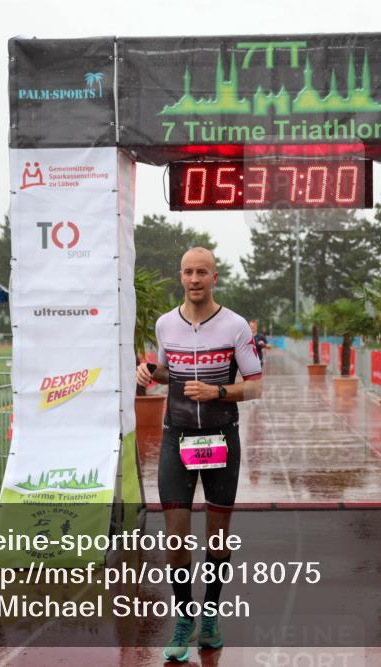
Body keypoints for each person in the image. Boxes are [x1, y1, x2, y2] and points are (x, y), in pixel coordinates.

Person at [136, 247, 263, 662]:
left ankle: (210, 615)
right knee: (175, 535)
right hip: (177, 436)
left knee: (217, 534)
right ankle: (185, 617)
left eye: (202, 272)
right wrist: (149, 372)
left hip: (221, 436)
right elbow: (172, 373)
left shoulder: (235, 326)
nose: (195, 279)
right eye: (188, 272)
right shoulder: (165, 324)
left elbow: (256, 385)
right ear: (181, 276)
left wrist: (218, 391)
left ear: (215, 277)